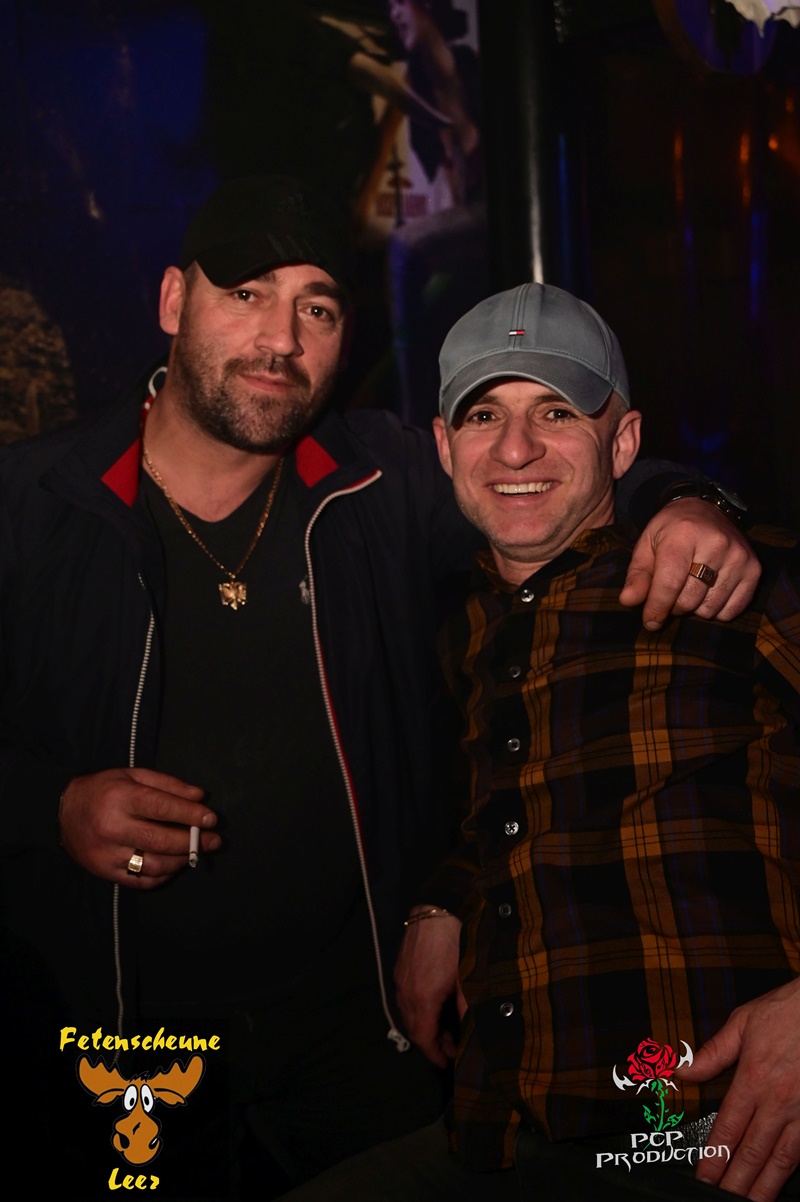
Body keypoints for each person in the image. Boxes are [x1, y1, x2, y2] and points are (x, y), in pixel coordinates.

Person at [0, 181, 759, 1196]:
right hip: (121, 1045)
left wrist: (691, 502)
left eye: (316, 308)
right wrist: (50, 805)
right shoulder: (33, 505)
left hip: (358, 1040)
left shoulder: (380, 481)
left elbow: (559, 476)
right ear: (174, 301)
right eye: (247, 294)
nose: (282, 338)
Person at [279, 283, 800, 1202]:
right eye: (484, 415)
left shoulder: (732, 578)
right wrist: (443, 902)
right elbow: (514, 800)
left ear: (623, 443)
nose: (515, 449)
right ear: (444, 447)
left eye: (556, 411)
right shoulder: (464, 627)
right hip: (501, 1134)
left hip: (708, 1133)